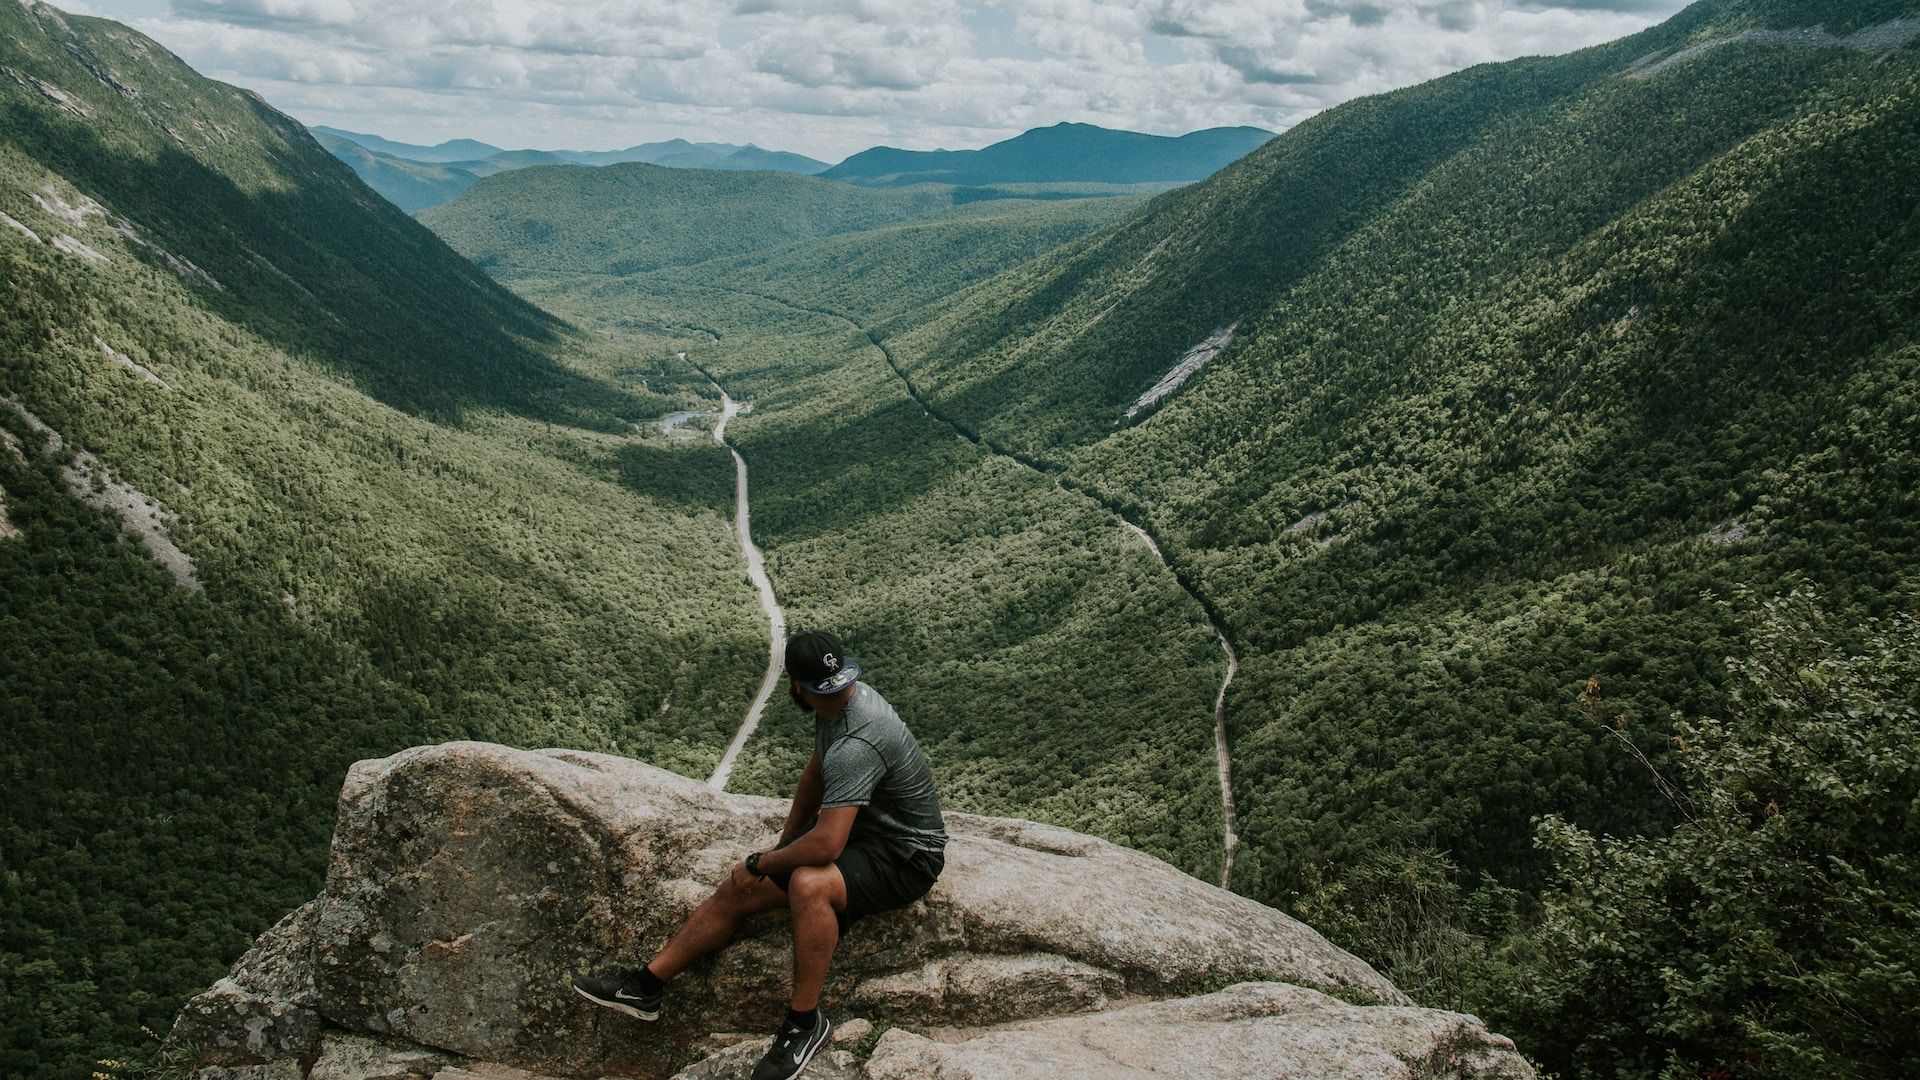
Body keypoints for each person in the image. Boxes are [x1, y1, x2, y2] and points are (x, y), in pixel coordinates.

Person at [574, 630, 948, 1080]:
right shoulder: (839, 706)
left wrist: (763, 863)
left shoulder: (857, 737)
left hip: (908, 853)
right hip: (864, 831)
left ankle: (804, 1024)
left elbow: (828, 844)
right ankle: (645, 986)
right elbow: (813, 777)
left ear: (797, 688)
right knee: (742, 887)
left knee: (809, 884)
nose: (834, 693)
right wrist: (781, 848)